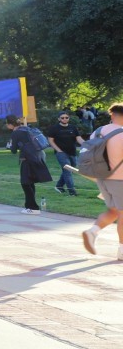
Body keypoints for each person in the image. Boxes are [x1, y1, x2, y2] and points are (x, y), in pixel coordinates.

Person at [81, 103, 123, 260]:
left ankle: (92, 232)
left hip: (101, 177)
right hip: (120, 179)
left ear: (112, 116)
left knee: (113, 211)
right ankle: (122, 250)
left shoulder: (97, 132)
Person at [7, 115, 53, 214]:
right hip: (38, 156)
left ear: (10, 124)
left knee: (25, 183)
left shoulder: (16, 133)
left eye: (7, 124)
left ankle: (33, 208)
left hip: (27, 159)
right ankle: (30, 207)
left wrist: (10, 146)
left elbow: (13, 150)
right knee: (29, 182)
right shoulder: (27, 129)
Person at [49, 111, 84, 196]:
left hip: (72, 152)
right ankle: (72, 191)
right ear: (59, 119)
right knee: (68, 170)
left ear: (68, 118)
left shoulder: (73, 127)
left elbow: (79, 139)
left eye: (66, 117)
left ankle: (59, 186)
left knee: (71, 170)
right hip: (61, 153)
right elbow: (51, 140)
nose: (64, 119)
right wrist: (58, 150)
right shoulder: (54, 128)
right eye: (62, 118)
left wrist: (87, 144)